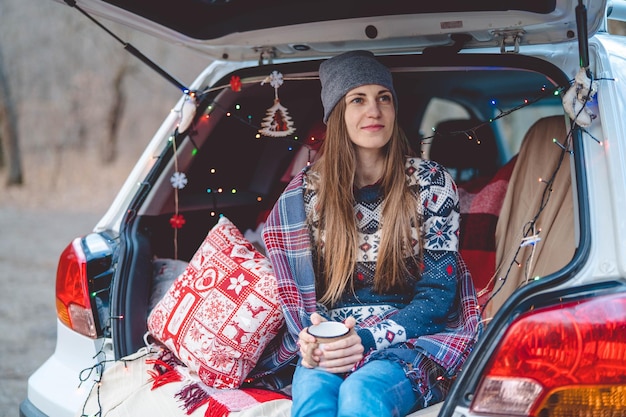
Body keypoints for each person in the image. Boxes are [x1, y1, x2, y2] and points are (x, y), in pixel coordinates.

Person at [260, 50, 481, 417]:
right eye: (357, 100)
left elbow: (438, 299)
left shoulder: (432, 185)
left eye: (384, 98)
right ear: (337, 115)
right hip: (333, 339)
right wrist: (312, 337)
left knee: (361, 394)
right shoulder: (304, 196)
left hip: (413, 339)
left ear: (395, 110)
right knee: (314, 398)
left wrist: (364, 340)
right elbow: (300, 297)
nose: (374, 111)